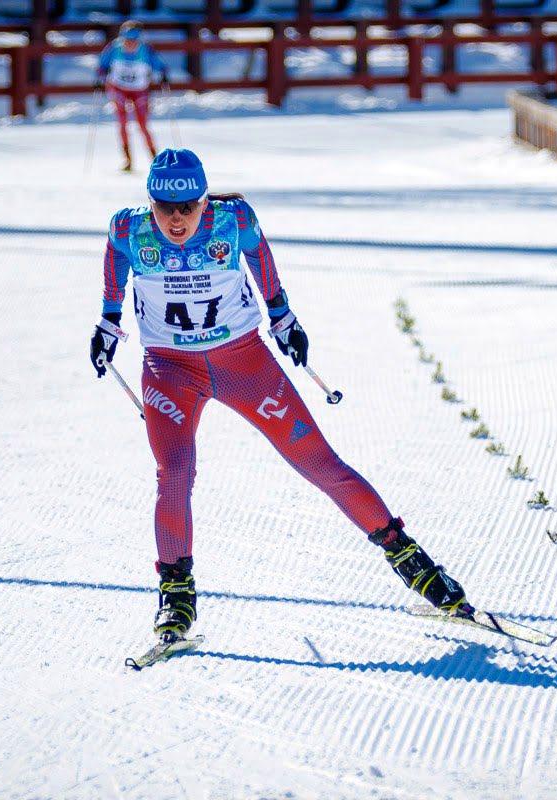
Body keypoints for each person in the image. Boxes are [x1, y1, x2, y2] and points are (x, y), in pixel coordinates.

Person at [91, 149, 474, 643]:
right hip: (169, 371)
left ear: (205, 200)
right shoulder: (128, 230)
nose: (178, 218)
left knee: (319, 463)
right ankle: (175, 595)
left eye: (189, 206)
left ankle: (411, 560)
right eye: (166, 207)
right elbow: (112, 272)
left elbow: (262, 261)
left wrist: (283, 316)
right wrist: (107, 321)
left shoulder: (233, 221)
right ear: (150, 201)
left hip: (243, 363)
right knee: (175, 475)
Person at [96, 20, 168, 173]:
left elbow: (158, 64)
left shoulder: (145, 50)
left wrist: (163, 73)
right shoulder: (114, 48)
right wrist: (99, 76)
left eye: (134, 40)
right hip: (118, 88)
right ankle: (127, 159)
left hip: (139, 89)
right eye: (127, 39)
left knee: (142, 124)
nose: (130, 43)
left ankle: (155, 159)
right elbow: (102, 63)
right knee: (122, 123)